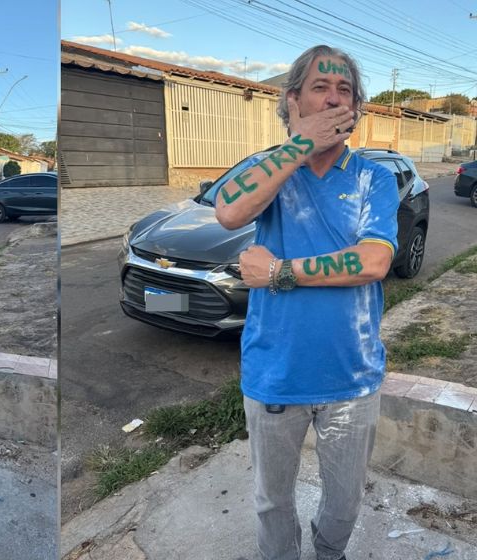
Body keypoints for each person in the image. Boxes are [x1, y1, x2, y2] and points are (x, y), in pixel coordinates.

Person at [209, 46, 399, 560]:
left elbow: (373, 262)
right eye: (320, 88)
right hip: (276, 374)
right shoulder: (267, 168)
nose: (335, 99)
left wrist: (278, 274)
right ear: (292, 100)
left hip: (351, 377)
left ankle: (329, 554)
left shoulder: (372, 178)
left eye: (345, 92)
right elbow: (228, 212)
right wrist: (300, 145)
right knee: (272, 502)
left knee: (343, 502)